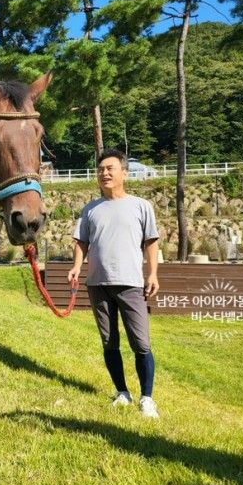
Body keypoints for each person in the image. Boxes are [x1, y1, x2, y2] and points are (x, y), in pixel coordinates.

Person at [68, 149, 161, 418]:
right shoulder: (90, 210)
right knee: (109, 342)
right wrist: (76, 267)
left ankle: (147, 398)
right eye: (100, 169)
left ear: (124, 173)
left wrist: (153, 274)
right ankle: (122, 392)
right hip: (97, 284)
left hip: (131, 283)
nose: (104, 173)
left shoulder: (141, 206)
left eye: (110, 168)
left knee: (141, 343)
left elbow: (151, 242)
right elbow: (81, 243)